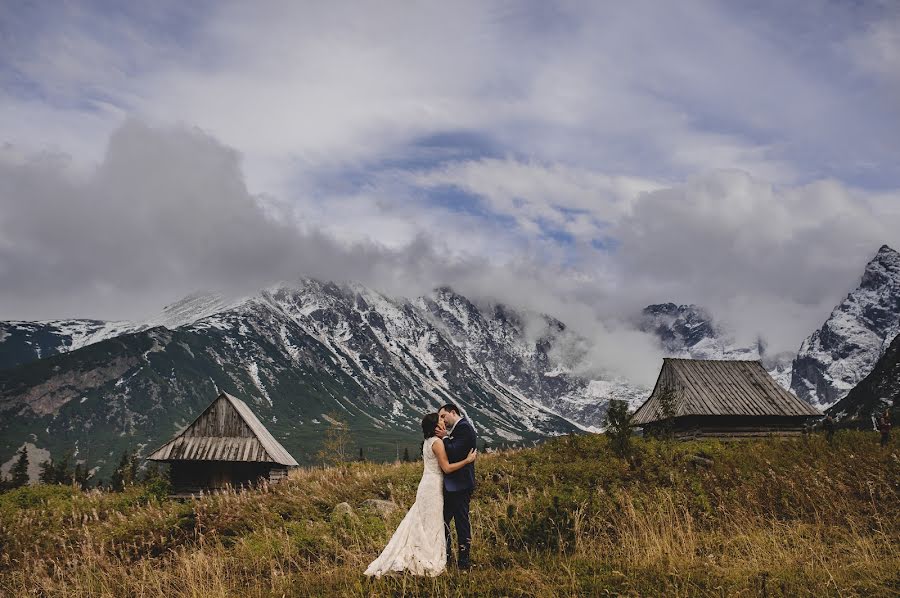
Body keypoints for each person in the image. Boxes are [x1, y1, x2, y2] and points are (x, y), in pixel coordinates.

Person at [364, 413, 476, 578]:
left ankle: (421, 552)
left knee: (423, 522)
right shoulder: (437, 443)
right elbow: (446, 468)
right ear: (436, 427)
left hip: (426, 484)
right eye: (440, 420)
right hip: (433, 487)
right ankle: (426, 556)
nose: (443, 421)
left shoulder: (427, 442)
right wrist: (467, 461)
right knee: (432, 523)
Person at [435, 403, 477, 570]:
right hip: (453, 486)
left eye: (443, 416)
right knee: (443, 521)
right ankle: (446, 556)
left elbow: (453, 452)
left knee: (461, 522)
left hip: (461, 486)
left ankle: (464, 561)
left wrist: (445, 437)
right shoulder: (459, 429)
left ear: (453, 412)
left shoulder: (465, 428)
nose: (442, 421)